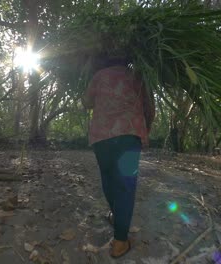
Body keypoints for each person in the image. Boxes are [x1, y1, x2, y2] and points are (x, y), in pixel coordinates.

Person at [82, 56, 155, 258]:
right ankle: (120, 241)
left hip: (101, 138)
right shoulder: (138, 77)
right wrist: (145, 130)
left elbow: (86, 102)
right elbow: (150, 108)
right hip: (129, 137)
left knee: (108, 178)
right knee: (125, 186)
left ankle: (116, 216)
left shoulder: (99, 76)